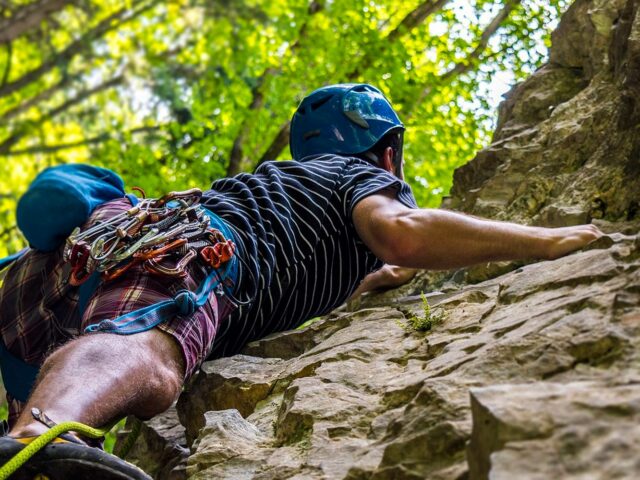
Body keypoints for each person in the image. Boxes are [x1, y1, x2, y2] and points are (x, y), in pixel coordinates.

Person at [0, 83, 602, 477]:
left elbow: (374, 269)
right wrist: (550, 240)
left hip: (84, 257)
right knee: (151, 358)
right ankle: (39, 435)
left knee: (63, 353)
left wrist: (382, 277)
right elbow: (404, 234)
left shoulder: (291, 199)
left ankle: (26, 427)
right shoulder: (355, 177)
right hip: (189, 250)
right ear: (386, 156)